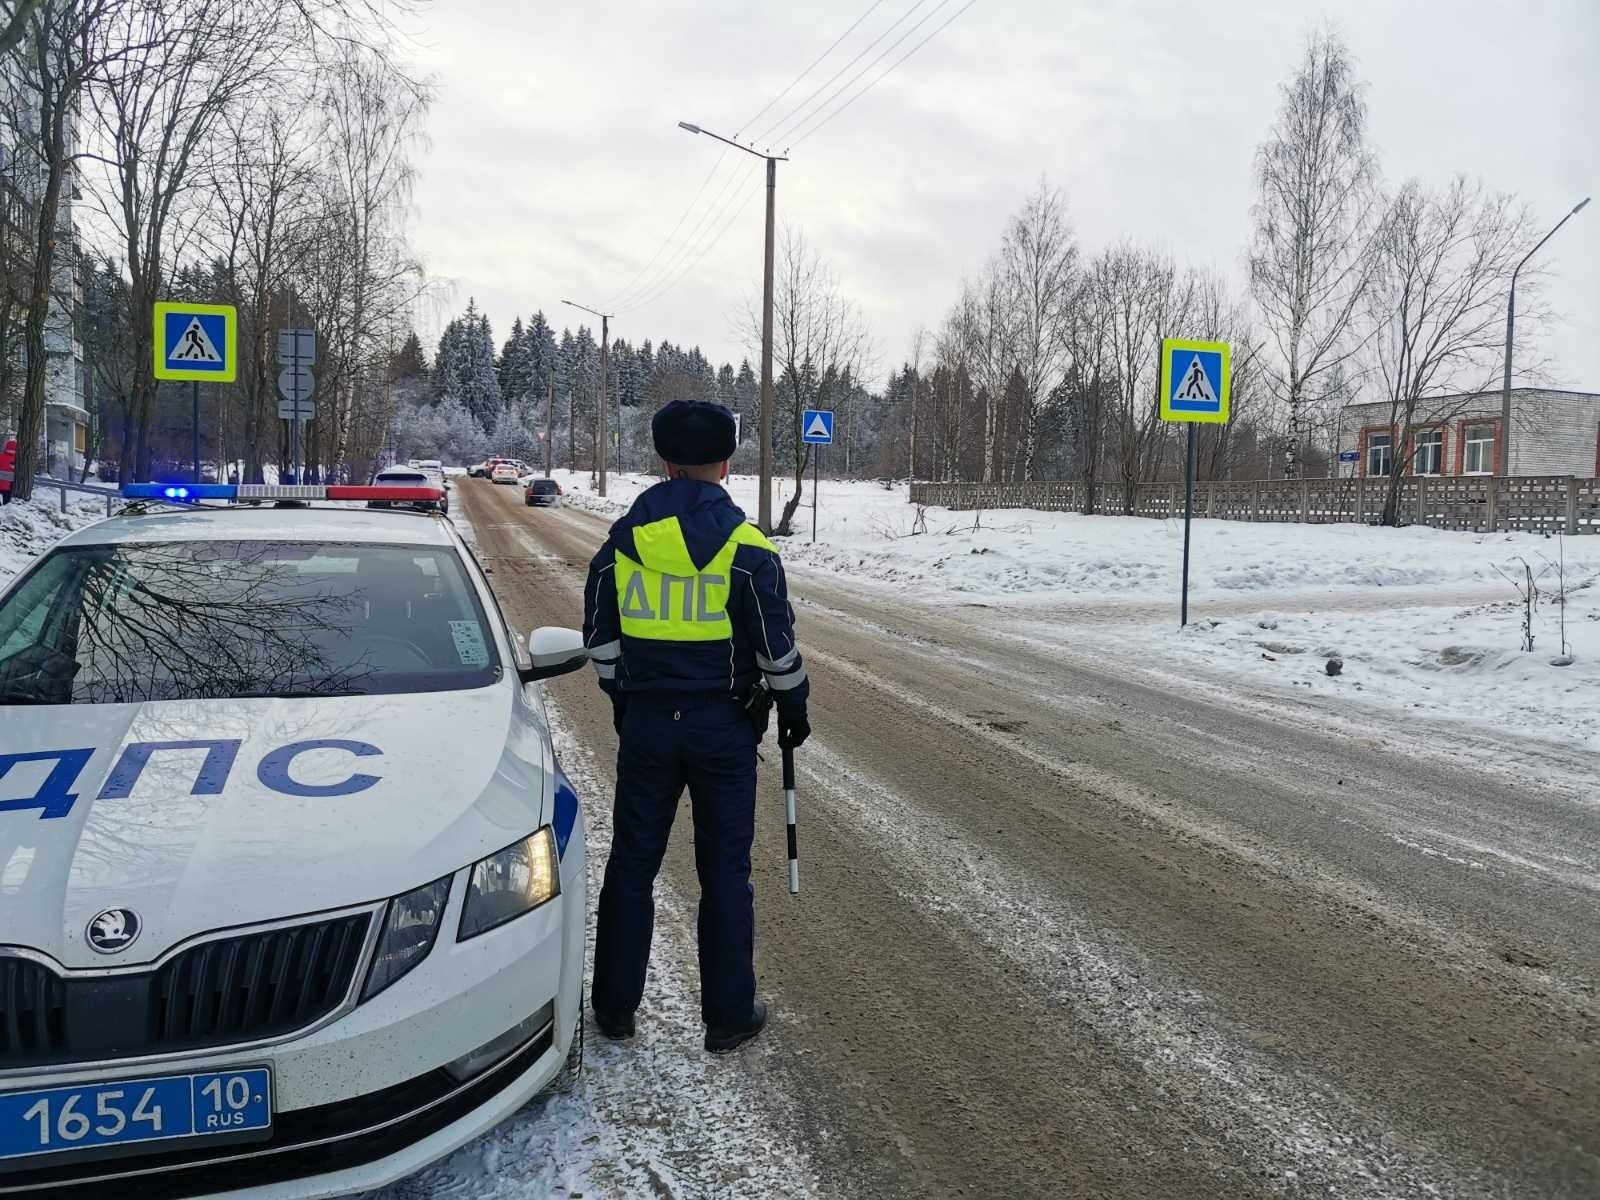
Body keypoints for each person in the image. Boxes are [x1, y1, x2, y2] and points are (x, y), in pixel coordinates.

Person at [582, 399, 810, 1053]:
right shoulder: (748, 550)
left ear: (664, 461)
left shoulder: (621, 545)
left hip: (649, 727)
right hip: (724, 731)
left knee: (632, 865)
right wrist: (793, 707)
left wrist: (624, 697)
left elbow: (600, 640)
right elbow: (775, 650)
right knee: (725, 872)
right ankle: (729, 1016)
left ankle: (615, 1009)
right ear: (726, 464)